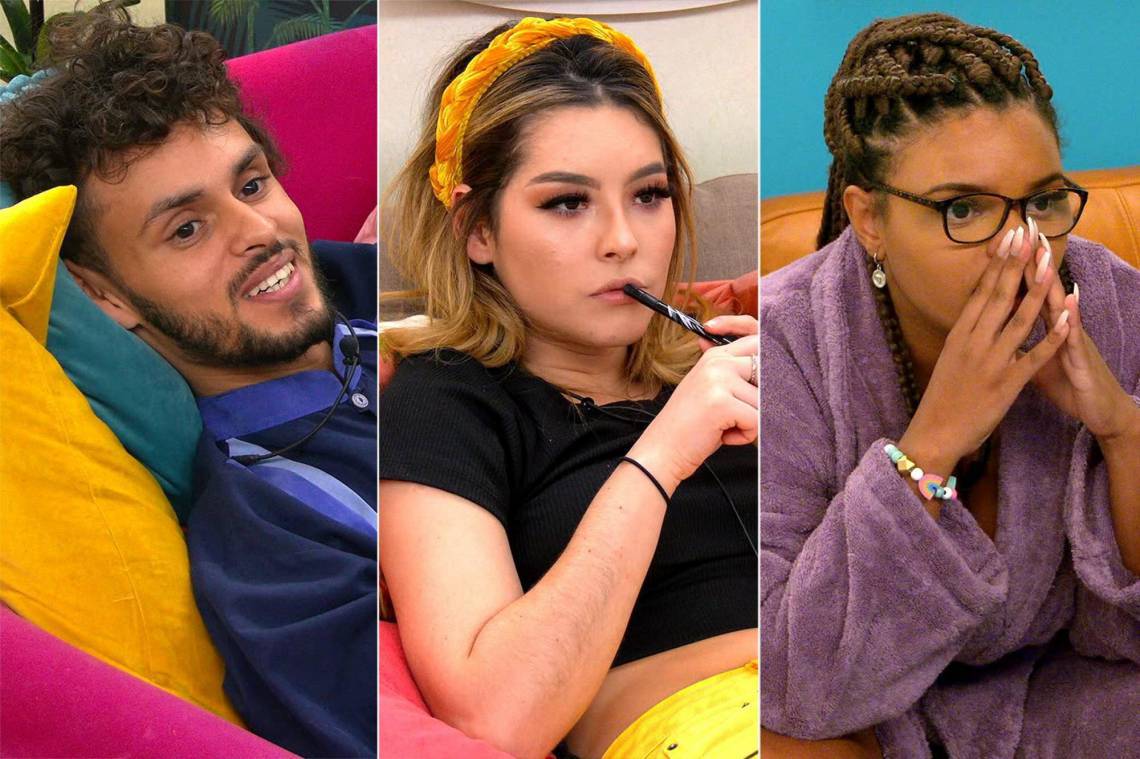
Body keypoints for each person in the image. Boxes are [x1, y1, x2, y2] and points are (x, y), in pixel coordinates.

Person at [760, 13, 1140, 758]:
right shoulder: (784, 344)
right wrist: (933, 443)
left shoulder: (1113, 302)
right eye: (963, 208)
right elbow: (794, 681)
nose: (1021, 245)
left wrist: (1123, 427)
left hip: (1073, 698)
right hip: (874, 723)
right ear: (869, 218)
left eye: (1043, 202)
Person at [378, 17, 759, 759]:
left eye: (649, 194)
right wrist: (663, 453)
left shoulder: (729, 357)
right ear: (476, 229)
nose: (624, 240)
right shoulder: (441, 402)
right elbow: (496, 716)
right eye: (566, 203)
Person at [0, 12, 377, 758]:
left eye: (252, 183)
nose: (260, 229)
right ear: (102, 295)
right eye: (186, 229)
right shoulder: (272, 547)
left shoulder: (371, 283)